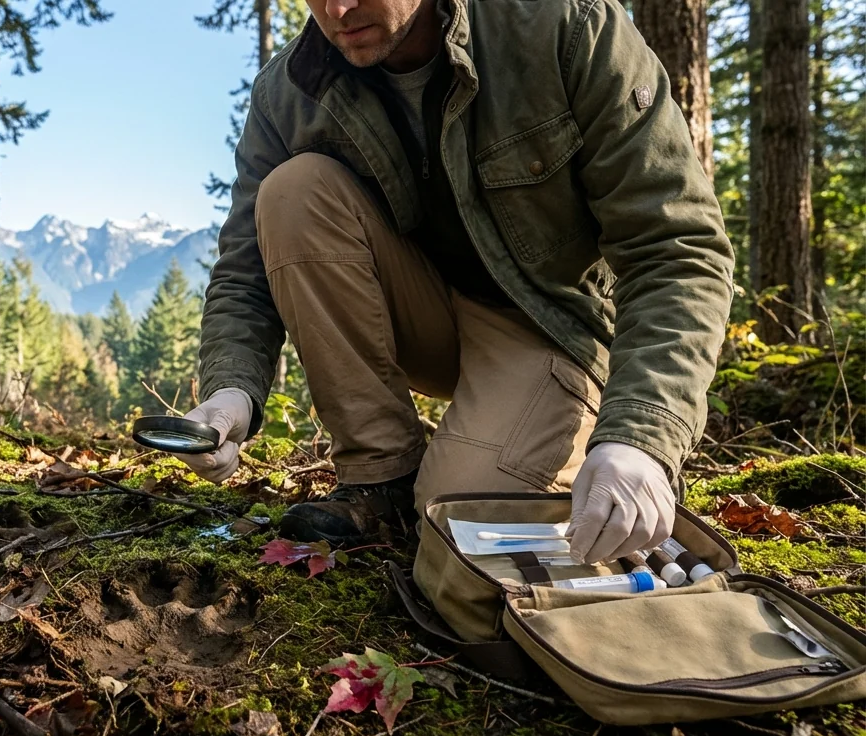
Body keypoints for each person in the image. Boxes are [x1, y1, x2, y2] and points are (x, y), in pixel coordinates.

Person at [168, 0, 734, 566]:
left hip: (551, 325)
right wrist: (230, 394)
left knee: (455, 526)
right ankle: (379, 475)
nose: (337, 8)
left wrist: (638, 439)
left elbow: (676, 250)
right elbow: (245, 266)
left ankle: (514, 444)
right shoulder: (291, 89)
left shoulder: (564, 26)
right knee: (293, 191)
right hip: (427, 315)